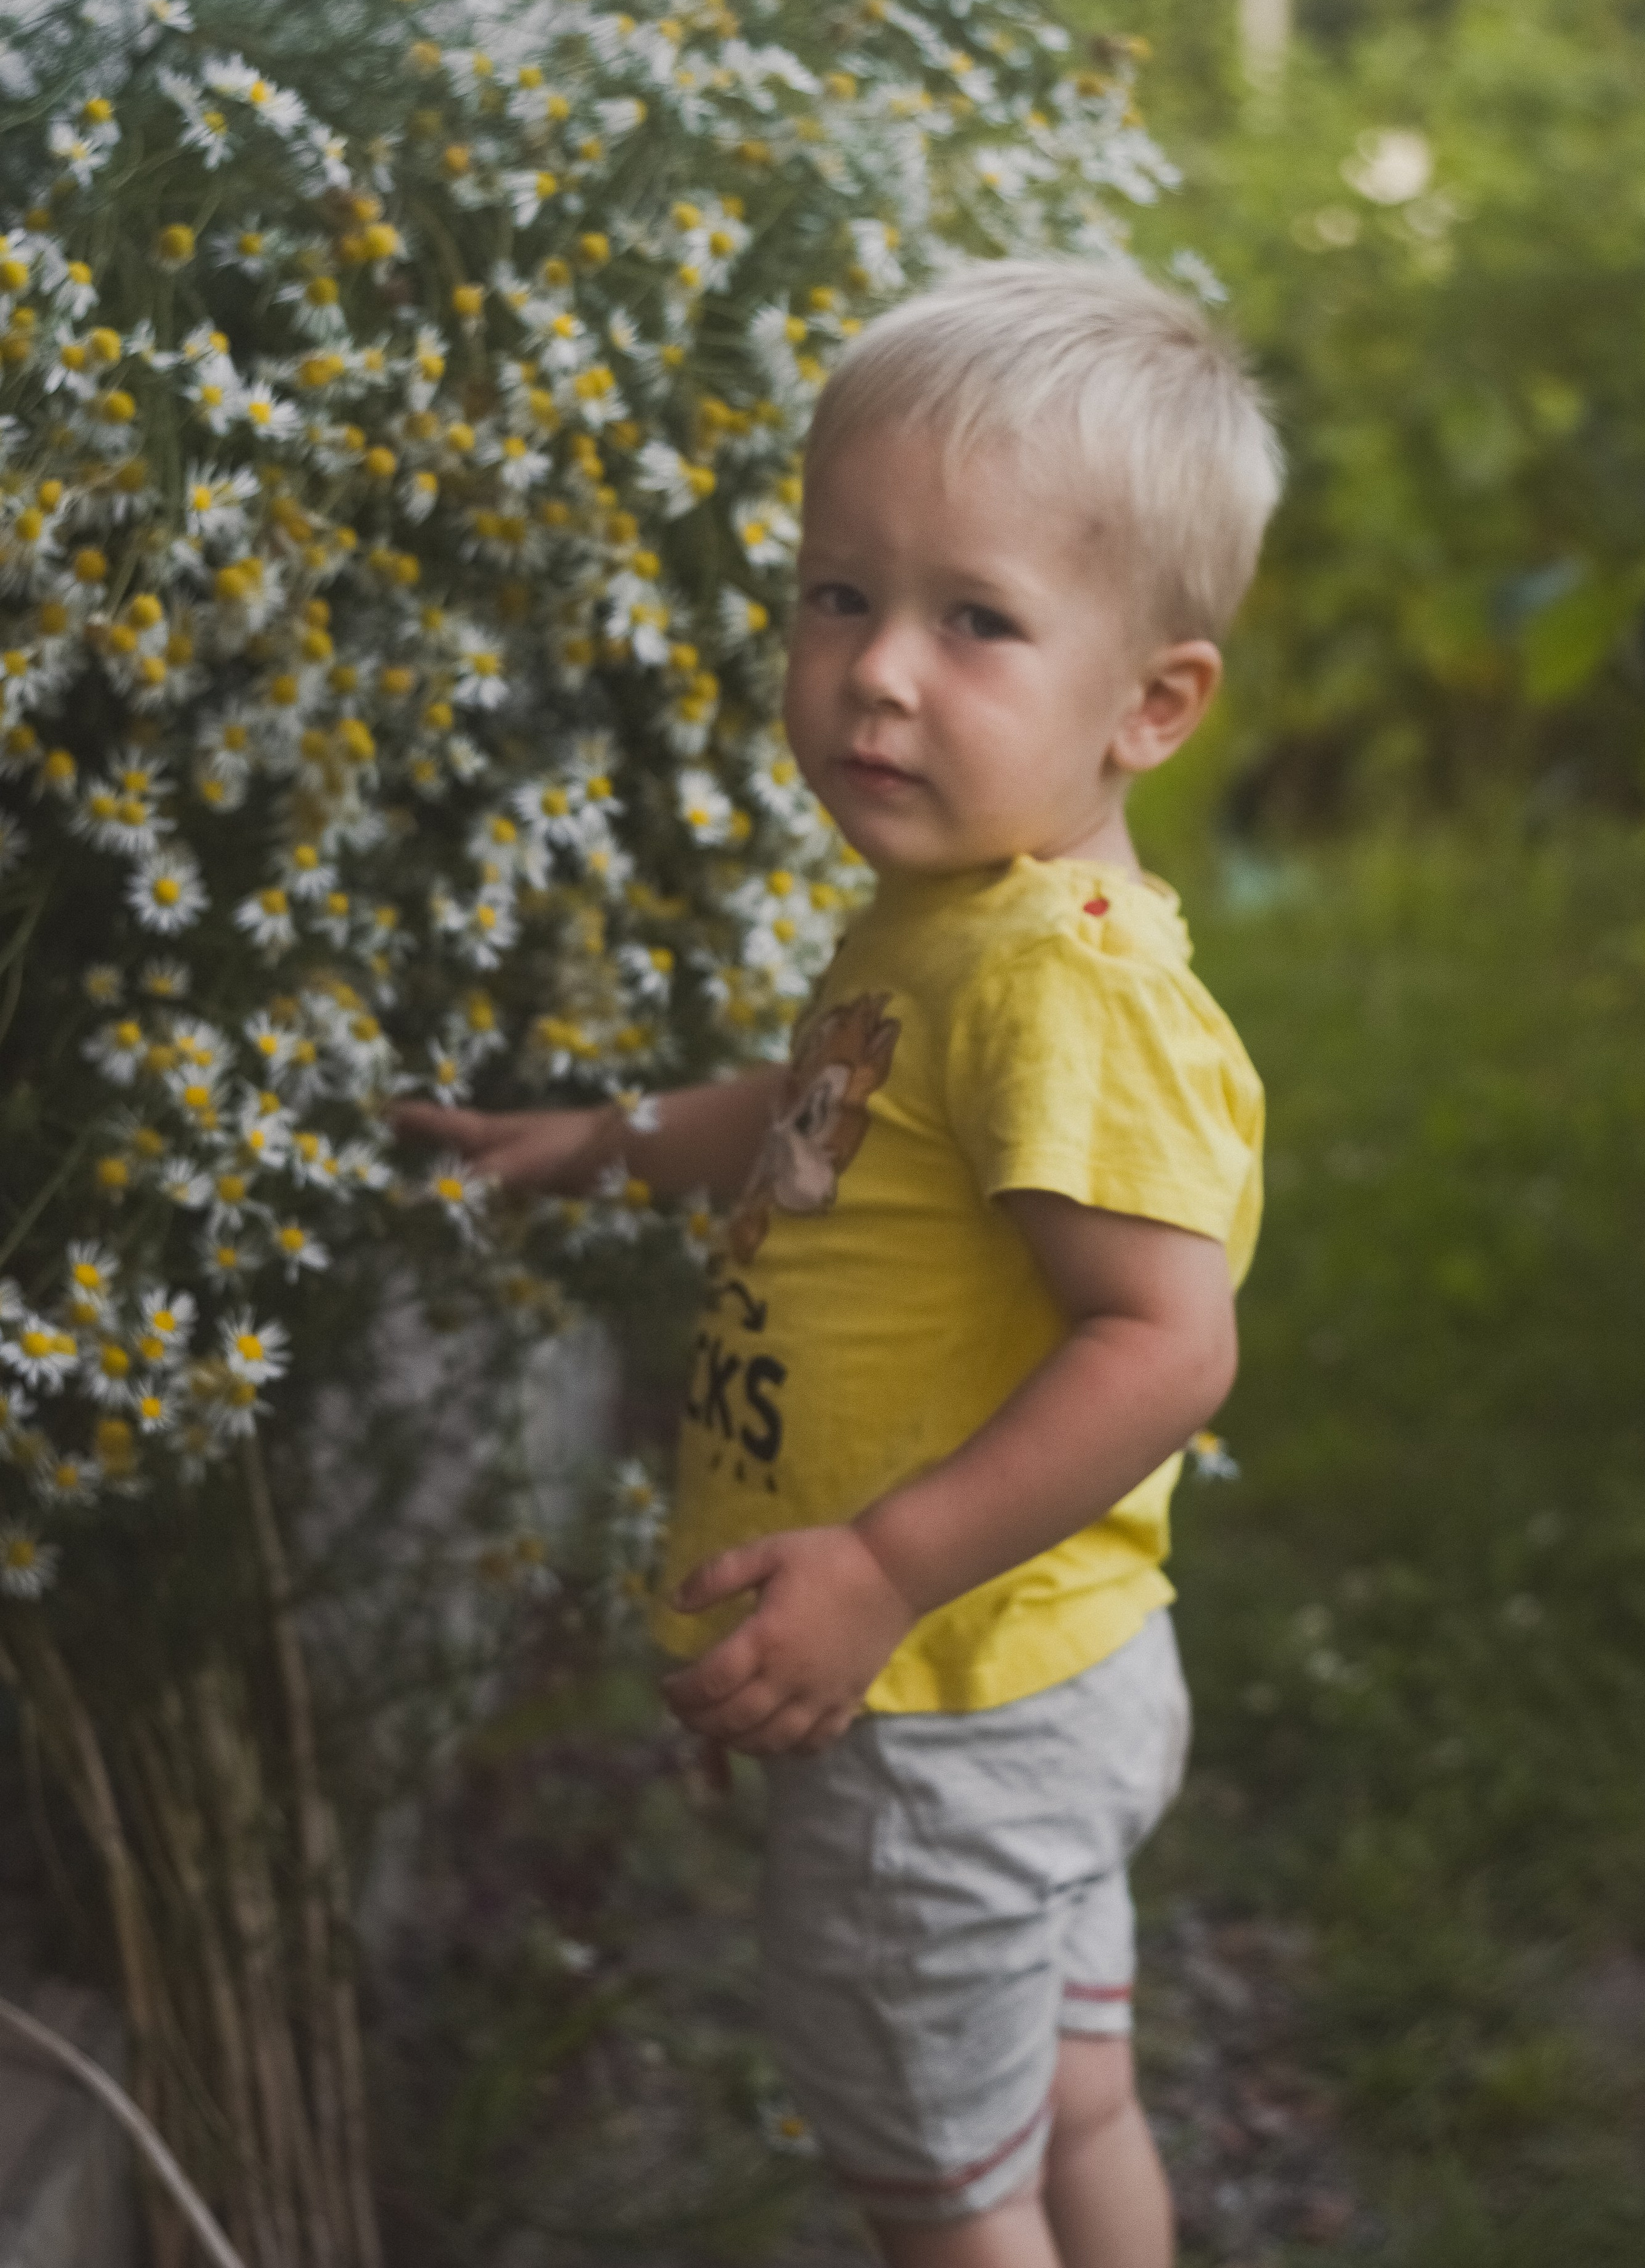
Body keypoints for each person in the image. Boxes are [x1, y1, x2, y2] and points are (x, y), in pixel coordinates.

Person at [393, 258, 1281, 2268]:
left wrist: (875, 1575)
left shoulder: (1054, 986)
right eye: (838, 595)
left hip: (946, 1710)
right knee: (1070, 2102)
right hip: (1018, 1677)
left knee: (943, 2195)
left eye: (976, 620)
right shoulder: (967, 919)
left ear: (1152, 704)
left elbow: (1166, 1345)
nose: (878, 671)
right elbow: (823, 1111)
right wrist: (607, 1141)